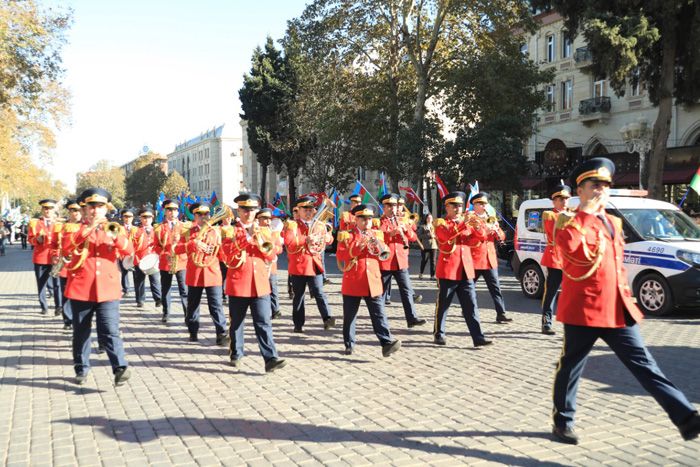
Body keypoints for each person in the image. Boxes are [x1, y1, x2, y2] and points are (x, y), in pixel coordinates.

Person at [551, 157, 700, 444]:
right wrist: (585, 214)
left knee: (646, 365)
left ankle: (685, 418)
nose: (600, 190)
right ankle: (562, 421)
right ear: (579, 190)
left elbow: (616, 264)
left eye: (605, 185)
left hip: (617, 308)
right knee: (570, 367)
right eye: (594, 185)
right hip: (583, 309)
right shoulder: (568, 223)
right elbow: (573, 260)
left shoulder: (614, 222)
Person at [61, 188, 132, 386]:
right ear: (84, 208)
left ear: (106, 209)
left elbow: (127, 249)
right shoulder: (74, 228)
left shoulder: (112, 227)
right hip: (81, 288)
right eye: (91, 206)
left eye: (99, 206)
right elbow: (66, 248)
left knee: (110, 329)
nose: (95, 211)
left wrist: (113, 233)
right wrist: (88, 228)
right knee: (82, 331)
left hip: (107, 288)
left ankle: (120, 367)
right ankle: (81, 368)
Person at [220, 194, 286, 372]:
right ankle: (236, 353)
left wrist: (260, 243)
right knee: (237, 323)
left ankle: (270, 358)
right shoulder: (230, 231)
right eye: (245, 210)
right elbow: (225, 255)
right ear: (239, 211)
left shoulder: (264, 231)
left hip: (260, 284)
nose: (249, 213)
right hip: (238, 283)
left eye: (252, 210)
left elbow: (272, 256)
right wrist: (247, 239)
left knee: (264, 322)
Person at [337, 204, 401, 357]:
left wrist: (381, 248)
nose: (367, 222)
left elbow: (386, 256)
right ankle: (349, 344)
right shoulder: (347, 235)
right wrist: (359, 246)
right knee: (350, 315)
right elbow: (342, 256)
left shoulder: (377, 235)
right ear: (356, 220)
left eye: (369, 219)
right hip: (354, 279)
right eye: (363, 219)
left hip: (372, 280)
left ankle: (386, 343)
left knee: (379, 313)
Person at [433, 191, 492, 347]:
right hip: (448, 269)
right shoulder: (441, 223)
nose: (459, 208)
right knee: (444, 304)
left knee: (471, 305)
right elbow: (446, 237)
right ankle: (439, 333)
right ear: (447, 207)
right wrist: (463, 223)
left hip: (466, 269)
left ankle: (478, 337)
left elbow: (480, 238)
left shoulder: (467, 222)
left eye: (460, 205)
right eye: (455, 205)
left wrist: (479, 227)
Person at [174, 202, 228, 345]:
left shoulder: (216, 231)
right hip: (195, 274)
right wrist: (193, 244)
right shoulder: (188, 231)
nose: (204, 217)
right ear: (195, 216)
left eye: (206, 214)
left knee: (216, 305)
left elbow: (223, 253)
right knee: (192, 306)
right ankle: (193, 331)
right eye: (200, 214)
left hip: (212, 273)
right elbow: (177, 249)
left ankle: (221, 334)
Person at [283, 196, 336, 333]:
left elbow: (329, 239)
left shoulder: (319, 224)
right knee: (299, 296)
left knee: (319, 292)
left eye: (310, 209)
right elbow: (289, 243)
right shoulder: (292, 225)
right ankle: (298, 324)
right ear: (298, 210)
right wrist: (305, 239)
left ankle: (327, 318)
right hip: (299, 265)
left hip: (314, 263)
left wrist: (328, 238)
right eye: (305, 209)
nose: (308, 212)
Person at [378, 193, 426, 328]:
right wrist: (392, 233)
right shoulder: (379, 222)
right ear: (384, 207)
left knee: (406, 291)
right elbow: (378, 238)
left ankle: (411, 318)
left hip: (401, 261)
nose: (392, 208)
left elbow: (413, 237)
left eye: (394, 206)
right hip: (386, 261)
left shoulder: (402, 220)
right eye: (389, 206)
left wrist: (406, 230)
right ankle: (380, 320)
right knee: (381, 293)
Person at [469, 193, 512, 324]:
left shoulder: (491, 218)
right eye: (481, 204)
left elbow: (502, 236)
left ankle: (501, 313)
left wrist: (497, 231)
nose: (484, 206)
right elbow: (472, 237)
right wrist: (487, 230)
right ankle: (468, 310)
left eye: (485, 204)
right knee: (469, 289)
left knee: (495, 288)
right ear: (475, 205)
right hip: (475, 259)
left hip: (490, 259)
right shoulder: (471, 219)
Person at [540, 184, 572, 335]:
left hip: (572, 259)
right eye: (561, 199)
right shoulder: (550, 215)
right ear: (554, 201)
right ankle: (546, 322)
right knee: (551, 291)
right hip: (556, 257)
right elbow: (556, 232)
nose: (564, 201)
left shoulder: (573, 214)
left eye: (566, 198)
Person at [153, 199, 189, 323]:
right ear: (165, 211)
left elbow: (188, 244)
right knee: (166, 288)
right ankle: (166, 312)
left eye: (174, 210)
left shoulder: (184, 227)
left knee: (184, 289)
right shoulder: (159, 228)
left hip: (181, 261)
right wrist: (164, 253)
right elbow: (156, 246)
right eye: (169, 210)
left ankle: (187, 314)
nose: (172, 213)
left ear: (178, 212)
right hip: (166, 262)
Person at [52, 199, 83, 331]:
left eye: (77, 210)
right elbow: (55, 244)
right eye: (72, 210)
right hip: (65, 263)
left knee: (81, 294)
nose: (75, 213)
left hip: (82, 264)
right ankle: (67, 320)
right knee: (66, 292)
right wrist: (56, 257)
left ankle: (80, 319)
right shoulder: (61, 227)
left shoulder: (87, 226)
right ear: (69, 211)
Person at [28, 199, 62, 315]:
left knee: (57, 283)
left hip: (56, 258)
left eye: (50, 208)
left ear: (54, 210)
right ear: (42, 210)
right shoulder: (35, 223)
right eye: (45, 208)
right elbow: (30, 239)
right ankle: (44, 306)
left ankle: (59, 307)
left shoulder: (60, 224)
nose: (48, 211)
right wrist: (37, 239)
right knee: (41, 283)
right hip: (40, 257)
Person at [132, 208, 162, 309]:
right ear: (140, 218)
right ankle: (140, 300)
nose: (146, 219)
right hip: (140, 259)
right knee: (139, 281)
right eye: (144, 217)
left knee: (155, 280)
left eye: (149, 217)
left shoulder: (157, 230)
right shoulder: (136, 230)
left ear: (152, 218)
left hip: (153, 259)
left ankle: (158, 299)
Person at [256, 208, 283, 319]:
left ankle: (275, 310)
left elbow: (280, 248)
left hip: (271, 264)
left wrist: (273, 249)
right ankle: (263, 310)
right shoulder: (255, 231)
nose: (268, 221)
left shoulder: (273, 232)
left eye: (269, 218)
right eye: (265, 218)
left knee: (273, 288)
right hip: (259, 265)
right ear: (258, 219)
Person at [118, 209, 137, 296]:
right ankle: (126, 289)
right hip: (123, 254)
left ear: (133, 218)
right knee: (124, 272)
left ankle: (137, 290)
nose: (127, 218)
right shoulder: (119, 228)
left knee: (136, 273)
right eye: (125, 216)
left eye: (130, 216)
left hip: (135, 254)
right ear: (122, 217)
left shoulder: (136, 229)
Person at [417, 213, 437, 280]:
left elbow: (438, 235)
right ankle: (421, 273)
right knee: (424, 260)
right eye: (428, 218)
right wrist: (428, 235)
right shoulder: (423, 226)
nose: (429, 219)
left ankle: (432, 275)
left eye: (431, 218)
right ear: (426, 219)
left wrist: (436, 236)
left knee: (433, 262)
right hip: (425, 246)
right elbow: (419, 235)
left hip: (433, 246)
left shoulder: (434, 226)